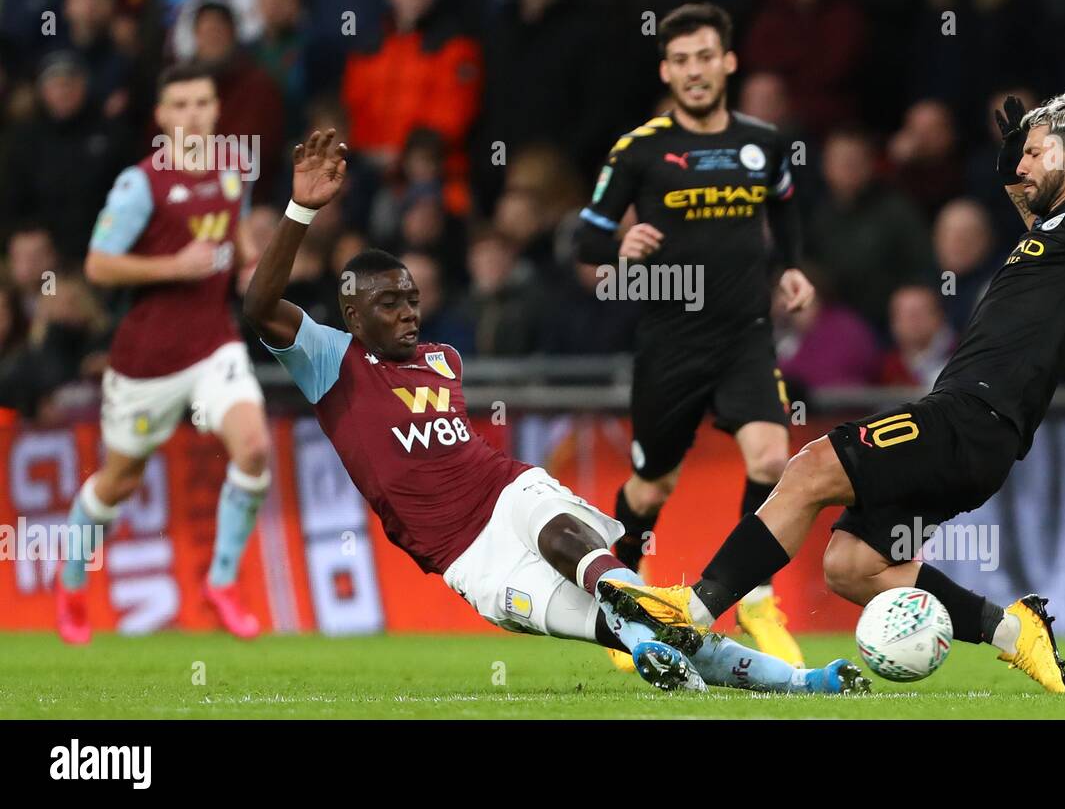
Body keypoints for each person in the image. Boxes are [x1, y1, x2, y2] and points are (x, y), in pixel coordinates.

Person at [598, 93, 1065, 694]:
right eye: (1022, 155)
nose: (1023, 165)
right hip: (981, 432)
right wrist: (1015, 158)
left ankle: (692, 613)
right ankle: (1012, 632)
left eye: (1036, 152)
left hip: (969, 416)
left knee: (806, 471)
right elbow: (1028, 202)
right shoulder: (1059, 228)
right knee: (852, 565)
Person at [240, 128, 867, 696]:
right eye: (389, 304)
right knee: (647, 626)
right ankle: (647, 635)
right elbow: (260, 305)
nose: (408, 312)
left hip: (508, 489)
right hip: (469, 558)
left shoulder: (442, 359)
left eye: (412, 299)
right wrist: (301, 211)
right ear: (352, 316)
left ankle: (803, 682)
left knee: (570, 540)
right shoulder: (330, 359)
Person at [573, 3, 812, 667]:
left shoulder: (764, 143)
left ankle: (758, 596)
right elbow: (583, 234)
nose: (695, 71)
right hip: (671, 344)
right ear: (666, 70)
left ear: (728, 61)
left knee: (770, 461)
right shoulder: (640, 149)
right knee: (651, 488)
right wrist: (620, 242)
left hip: (745, 335)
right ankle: (623, 598)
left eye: (706, 56)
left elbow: (787, 209)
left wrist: (791, 267)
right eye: (681, 60)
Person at [56, 64, 273, 644]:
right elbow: (98, 266)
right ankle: (72, 584)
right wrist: (174, 267)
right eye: (179, 105)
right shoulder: (140, 185)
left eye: (202, 103)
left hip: (213, 344)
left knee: (253, 447)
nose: (193, 115)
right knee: (119, 482)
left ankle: (222, 584)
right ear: (162, 116)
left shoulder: (233, 168)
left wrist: (254, 265)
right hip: (147, 361)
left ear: (214, 109)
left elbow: (239, 238)